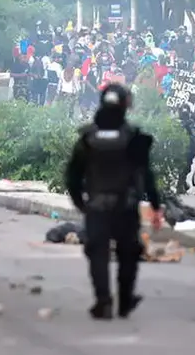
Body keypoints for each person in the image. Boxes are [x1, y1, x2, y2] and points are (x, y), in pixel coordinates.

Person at [64, 83, 163, 320]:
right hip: (125, 207)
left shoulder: (87, 138)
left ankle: (103, 301)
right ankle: (125, 301)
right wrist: (156, 206)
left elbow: (73, 175)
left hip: (96, 205)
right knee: (128, 253)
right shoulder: (134, 137)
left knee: (97, 253)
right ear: (125, 105)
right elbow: (146, 175)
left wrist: (81, 203)